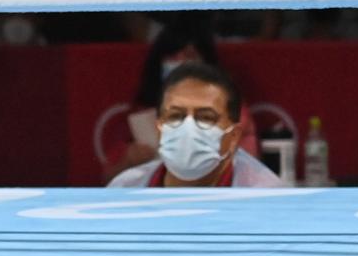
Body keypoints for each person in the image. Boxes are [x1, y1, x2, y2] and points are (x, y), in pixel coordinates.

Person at [101, 21, 259, 183]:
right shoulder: (140, 112)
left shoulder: (230, 107)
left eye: (205, 117)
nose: (181, 61)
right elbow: (109, 176)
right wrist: (129, 160)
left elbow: (247, 165)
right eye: (175, 116)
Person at [106, 62, 281, 188]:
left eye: (205, 118)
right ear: (158, 129)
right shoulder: (125, 189)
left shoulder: (264, 198)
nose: (188, 128)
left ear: (234, 137)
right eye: (175, 116)